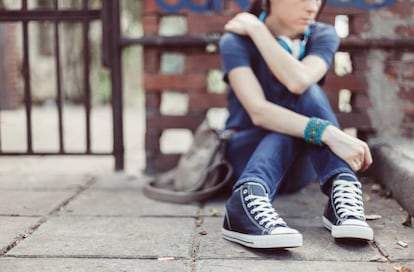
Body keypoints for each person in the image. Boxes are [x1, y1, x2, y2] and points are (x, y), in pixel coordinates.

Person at [219, 0, 374, 249]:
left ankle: (339, 188)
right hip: (246, 155)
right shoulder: (235, 41)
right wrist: (328, 133)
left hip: (297, 167)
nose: (312, 7)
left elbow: (298, 80)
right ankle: (339, 183)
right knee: (294, 112)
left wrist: (258, 30)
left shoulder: (322, 35)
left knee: (306, 91)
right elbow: (259, 111)